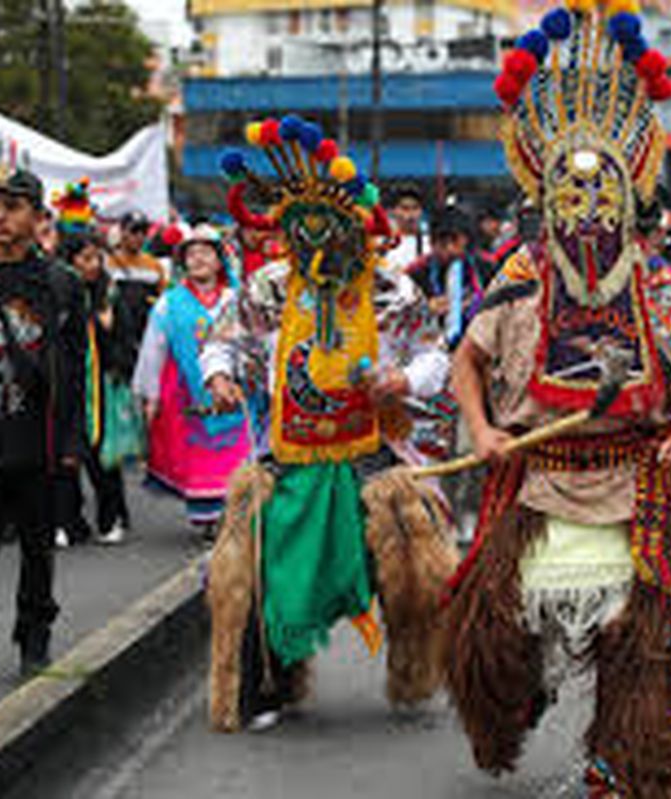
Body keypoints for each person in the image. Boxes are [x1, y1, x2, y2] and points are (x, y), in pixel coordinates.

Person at [445, 7, 671, 796]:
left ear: (628, 194)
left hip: (636, 486)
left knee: (637, 643)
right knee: (490, 634)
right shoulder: (521, 275)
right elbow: (466, 359)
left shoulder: (659, 290)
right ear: (545, 193)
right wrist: (483, 428)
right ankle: (516, 705)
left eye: (602, 187)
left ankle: (619, 763)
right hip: (536, 477)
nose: (586, 202)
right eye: (571, 186)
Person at [201, 117, 456, 733]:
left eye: (329, 232)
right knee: (265, 581)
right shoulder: (269, 286)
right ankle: (268, 683)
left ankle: (416, 670)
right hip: (290, 464)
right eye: (303, 233)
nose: (317, 247)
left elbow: (435, 354)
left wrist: (403, 381)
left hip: (371, 459)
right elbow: (223, 339)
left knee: (416, 579)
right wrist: (218, 375)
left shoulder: (391, 289)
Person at [0, 163, 86, 690]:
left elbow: (77, 367)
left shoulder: (61, 284)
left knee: (39, 555)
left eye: (11, 206)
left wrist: (72, 441)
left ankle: (34, 640)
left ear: (38, 217)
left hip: (38, 445)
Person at [133, 225, 250, 535]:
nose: (198, 260)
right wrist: (151, 395)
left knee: (238, 458)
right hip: (189, 397)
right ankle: (210, 520)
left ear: (219, 260)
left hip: (236, 395)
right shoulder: (169, 303)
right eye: (191, 254)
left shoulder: (236, 299)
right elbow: (152, 350)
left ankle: (235, 515)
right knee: (199, 458)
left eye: (205, 253)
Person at [52, 181, 140, 547]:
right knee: (65, 457)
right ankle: (68, 523)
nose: (91, 265)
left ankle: (112, 516)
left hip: (102, 387)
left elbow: (125, 339)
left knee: (103, 457)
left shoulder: (110, 292)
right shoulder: (56, 289)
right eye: (84, 258)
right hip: (68, 383)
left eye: (95, 258)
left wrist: (108, 330)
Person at [406, 205, 497, 349]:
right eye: (441, 242)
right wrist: (426, 309)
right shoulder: (417, 272)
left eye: (454, 240)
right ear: (431, 241)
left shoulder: (486, 267)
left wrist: (475, 304)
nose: (448, 249)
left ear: (466, 239)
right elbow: (405, 313)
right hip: (431, 348)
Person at [109, 212, 167, 343]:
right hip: (116, 337)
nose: (139, 237)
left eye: (144, 232)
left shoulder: (154, 265)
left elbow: (163, 300)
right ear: (122, 232)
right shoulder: (108, 262)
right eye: (134, 231)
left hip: (145, 336)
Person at [384, 183, 428, 272]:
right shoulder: (381, 244)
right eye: (405, 208)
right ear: (394, 211)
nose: (411, 215)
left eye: (415, 208)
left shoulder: (429, 244)